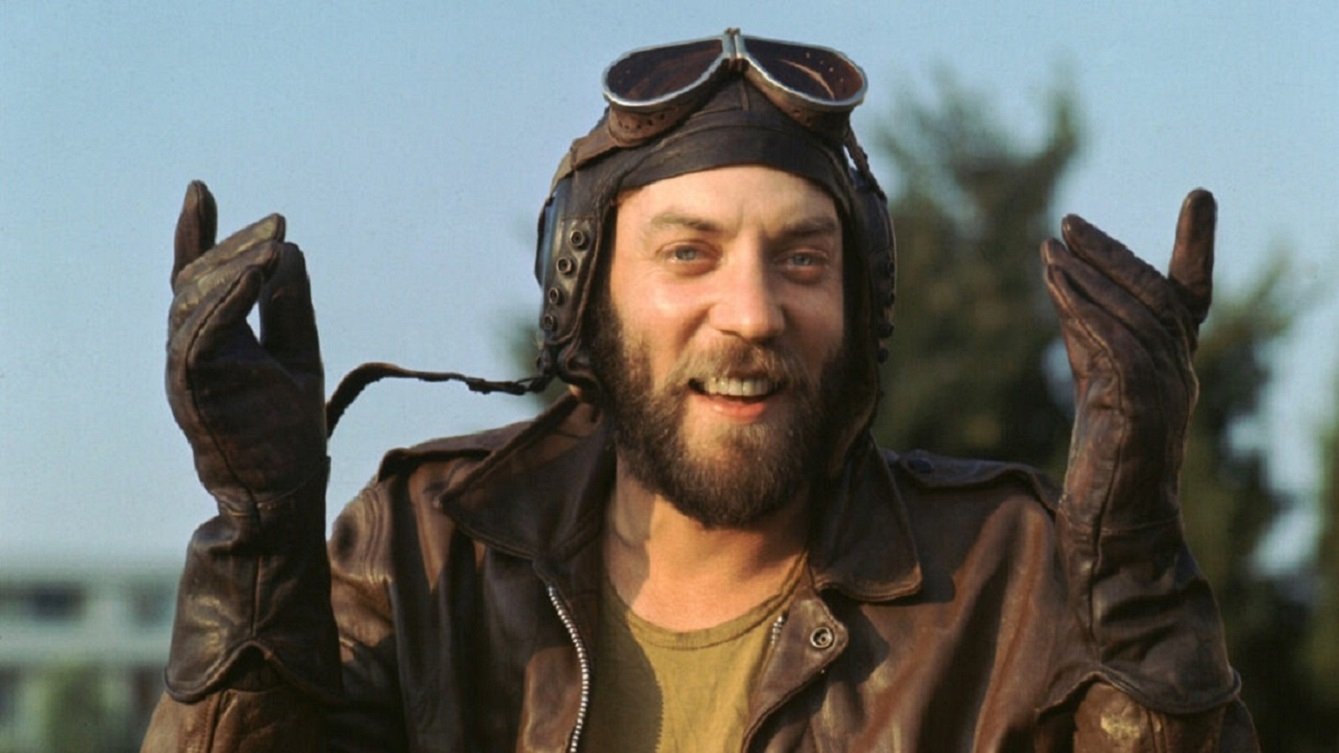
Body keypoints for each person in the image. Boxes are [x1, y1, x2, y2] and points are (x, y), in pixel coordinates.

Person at [143, 30, 1258, 752]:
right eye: (689, 253)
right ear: (584, 299)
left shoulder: (1013, 578)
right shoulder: (427, 555)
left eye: (802, 259)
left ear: (861, 303)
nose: (752, 311)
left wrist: (1137, 592)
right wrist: (257, 548)